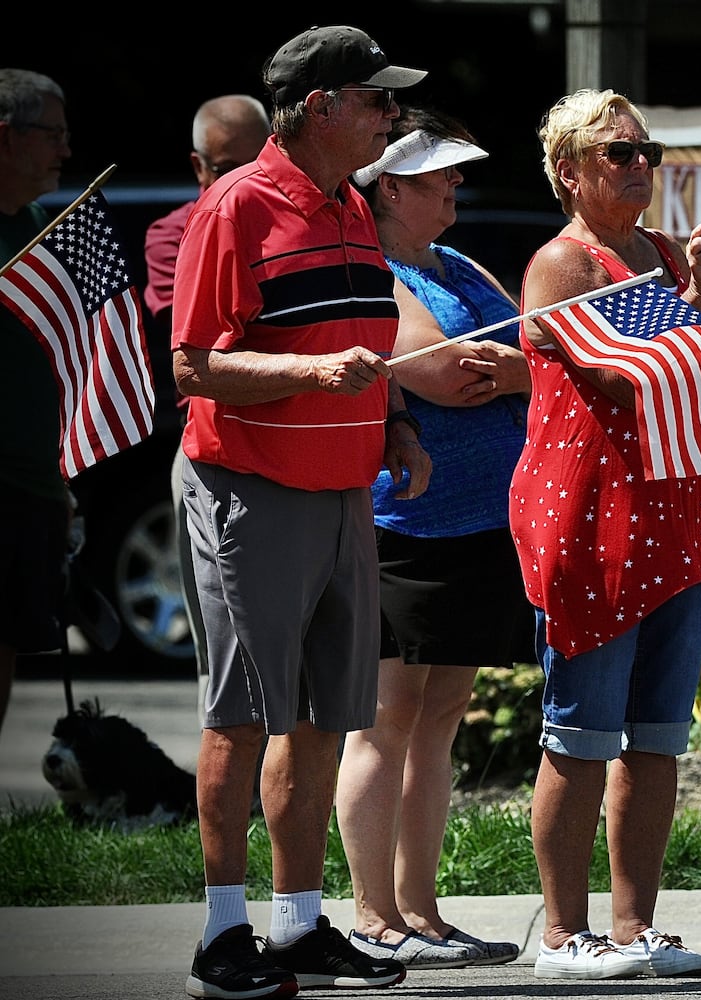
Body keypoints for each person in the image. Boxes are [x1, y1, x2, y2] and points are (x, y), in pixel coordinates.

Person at [172, 25, 432, 1000]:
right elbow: (195, 364)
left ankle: (295, 927)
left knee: (326, 715)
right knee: (243, 716)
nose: (391, 116)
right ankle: (219, 935)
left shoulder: (354, 208)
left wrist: (397, 421)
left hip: (344, 493)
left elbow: (363, 332)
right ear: (319, 106)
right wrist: (310, 373)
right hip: (252, 491)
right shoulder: (234, 206)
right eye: (377, 100)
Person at [511, 87, 701, 981]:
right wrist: (691, 310)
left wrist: (700, 291)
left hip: (675, 510)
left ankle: (632, 928)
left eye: (649, 151)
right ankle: (563, 939)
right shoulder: (560, 265)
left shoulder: (656, 254)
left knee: (655, 736)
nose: (642, 165)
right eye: (621, 154)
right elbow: (623, 379)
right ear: (570, 173)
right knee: (580, 735)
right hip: (592, 517)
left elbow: (688, 368)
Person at [334, 106, 528, 970]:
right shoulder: (373, 271)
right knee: (384, 719)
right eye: (439, 174)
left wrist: (517, 370)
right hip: (405, 524)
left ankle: (422, 908)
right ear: (387, 189)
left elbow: (534, 354)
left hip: (484, 522)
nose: (456, 184)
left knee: (442, 718)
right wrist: (513, 372)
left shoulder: (454, 261)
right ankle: (373, 913)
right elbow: (446, 375)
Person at [143, 93, 271, 711]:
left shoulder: (310, 220)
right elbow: (200, 342)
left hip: (301, 450)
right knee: (219, 654)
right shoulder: (176, 232)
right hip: (213, 450)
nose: (243, 180)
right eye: (226, 168)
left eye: (256, 161)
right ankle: (229, 797)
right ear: (199, 169)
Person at [0, 68, 72, 739]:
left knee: (7, 654)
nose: (66, 149)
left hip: (32, 490)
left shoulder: (44, 229)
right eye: (51, 134)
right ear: (5, 138)